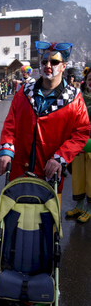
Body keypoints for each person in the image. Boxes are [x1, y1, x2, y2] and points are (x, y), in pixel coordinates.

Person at [0, 41, 90, 196]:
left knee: (47, 219)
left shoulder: (74, 99)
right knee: (14, 218)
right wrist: (6, 151)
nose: (48, 65)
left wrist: (60, 158)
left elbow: (81, 132)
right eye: (44, 61)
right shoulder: (24, 92)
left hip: (50, 176)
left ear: (63, 66)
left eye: (54, 62)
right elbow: (10, 125)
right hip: (19, 174)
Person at [66, 66, 91, 222]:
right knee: (78, 177)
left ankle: (89, 209)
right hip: (79, 142)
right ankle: (80, 206)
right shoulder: (79, 97)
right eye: (90, 79)